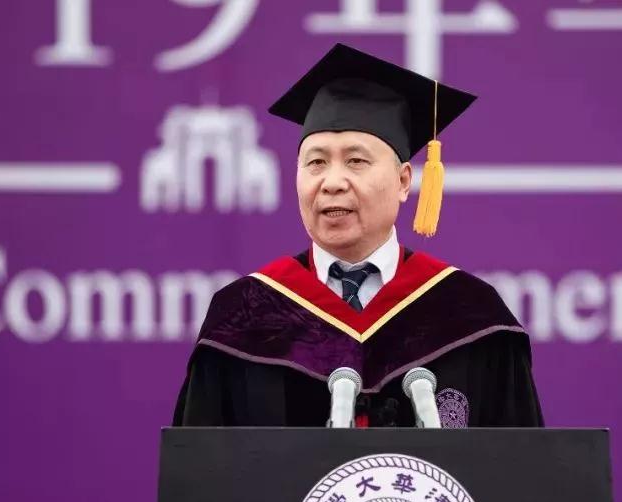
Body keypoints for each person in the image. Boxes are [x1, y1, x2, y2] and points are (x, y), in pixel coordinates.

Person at [173, 43, 542, 427]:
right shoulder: (243, 316)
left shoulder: (470, 315)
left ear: (403, 182)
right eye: (316, 162)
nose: (332, 182)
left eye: (356, 161)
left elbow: (518, 462)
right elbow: (201, 461)